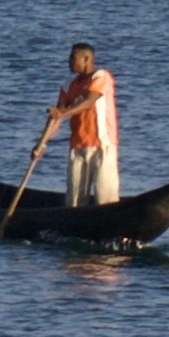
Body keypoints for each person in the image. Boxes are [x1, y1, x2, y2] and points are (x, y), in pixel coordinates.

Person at [33, 42, 123, 211]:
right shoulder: (68, 86)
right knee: (74, 201)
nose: (68, 61)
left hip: (101, 145)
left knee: (105, 198)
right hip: (78, 147)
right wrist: (41, 143)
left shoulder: (101, 77)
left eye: (72, 58)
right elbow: (56, 117)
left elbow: (88, 102)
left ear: (86, 59)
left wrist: (63, 113)